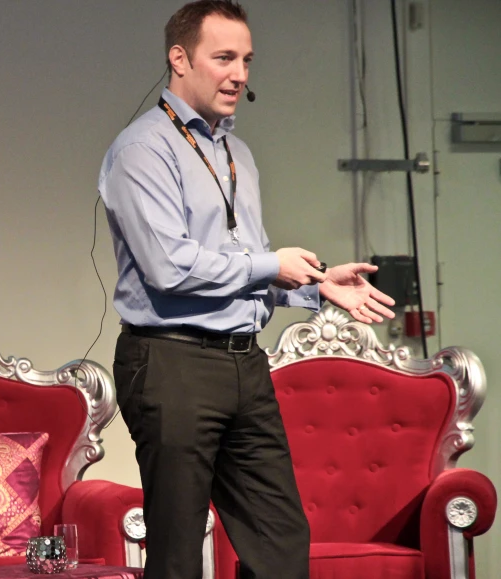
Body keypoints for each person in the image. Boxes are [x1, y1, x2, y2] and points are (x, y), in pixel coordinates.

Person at [98, 1, 396, 577]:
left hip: (244, 365)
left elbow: (246, 264)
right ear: (179, 59)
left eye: (247, 60)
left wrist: (315, 283)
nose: (240, 74)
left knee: (280, 541)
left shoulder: (237, 154)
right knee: (179, 549)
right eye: (224, 58)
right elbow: (170, 267)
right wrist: (270, 266)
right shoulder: (143, 149)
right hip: (171, 362)